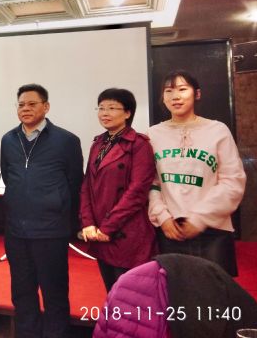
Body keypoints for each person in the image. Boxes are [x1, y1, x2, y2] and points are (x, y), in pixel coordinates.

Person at [0, 84, 83, 338]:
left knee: (54, 292)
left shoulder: (67, 141)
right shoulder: (8, 139)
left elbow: (75, 184)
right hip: (16, 231)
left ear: (46, 107)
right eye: (21, 104)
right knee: (22, 293)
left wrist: (65, 219)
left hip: (51, 231)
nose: (25, 109)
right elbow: (8, 177)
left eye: (32, 104)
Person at [147, 70, 246, 275]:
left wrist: (199, 218)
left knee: (213, 291)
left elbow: (232, 182)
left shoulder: (217, 130)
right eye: (169, 91)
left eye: (182, 89)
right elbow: (151, 182)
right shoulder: (152, 134)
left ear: (197, 94)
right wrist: (162, 217)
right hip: (169, 231)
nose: (175, 96)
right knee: (175, 290)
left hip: (213, 231)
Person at [79, 88, 157, 292]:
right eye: (101, 108)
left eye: (112, 108)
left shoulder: (138, 144)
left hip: (126, 231)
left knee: (131, 295)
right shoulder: (98, 143)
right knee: (111, 292)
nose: (105, 113)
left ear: (128, 113)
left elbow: (137, 191)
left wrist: (108, 227)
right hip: (99, 232)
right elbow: (87, 185)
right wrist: (88, 223)